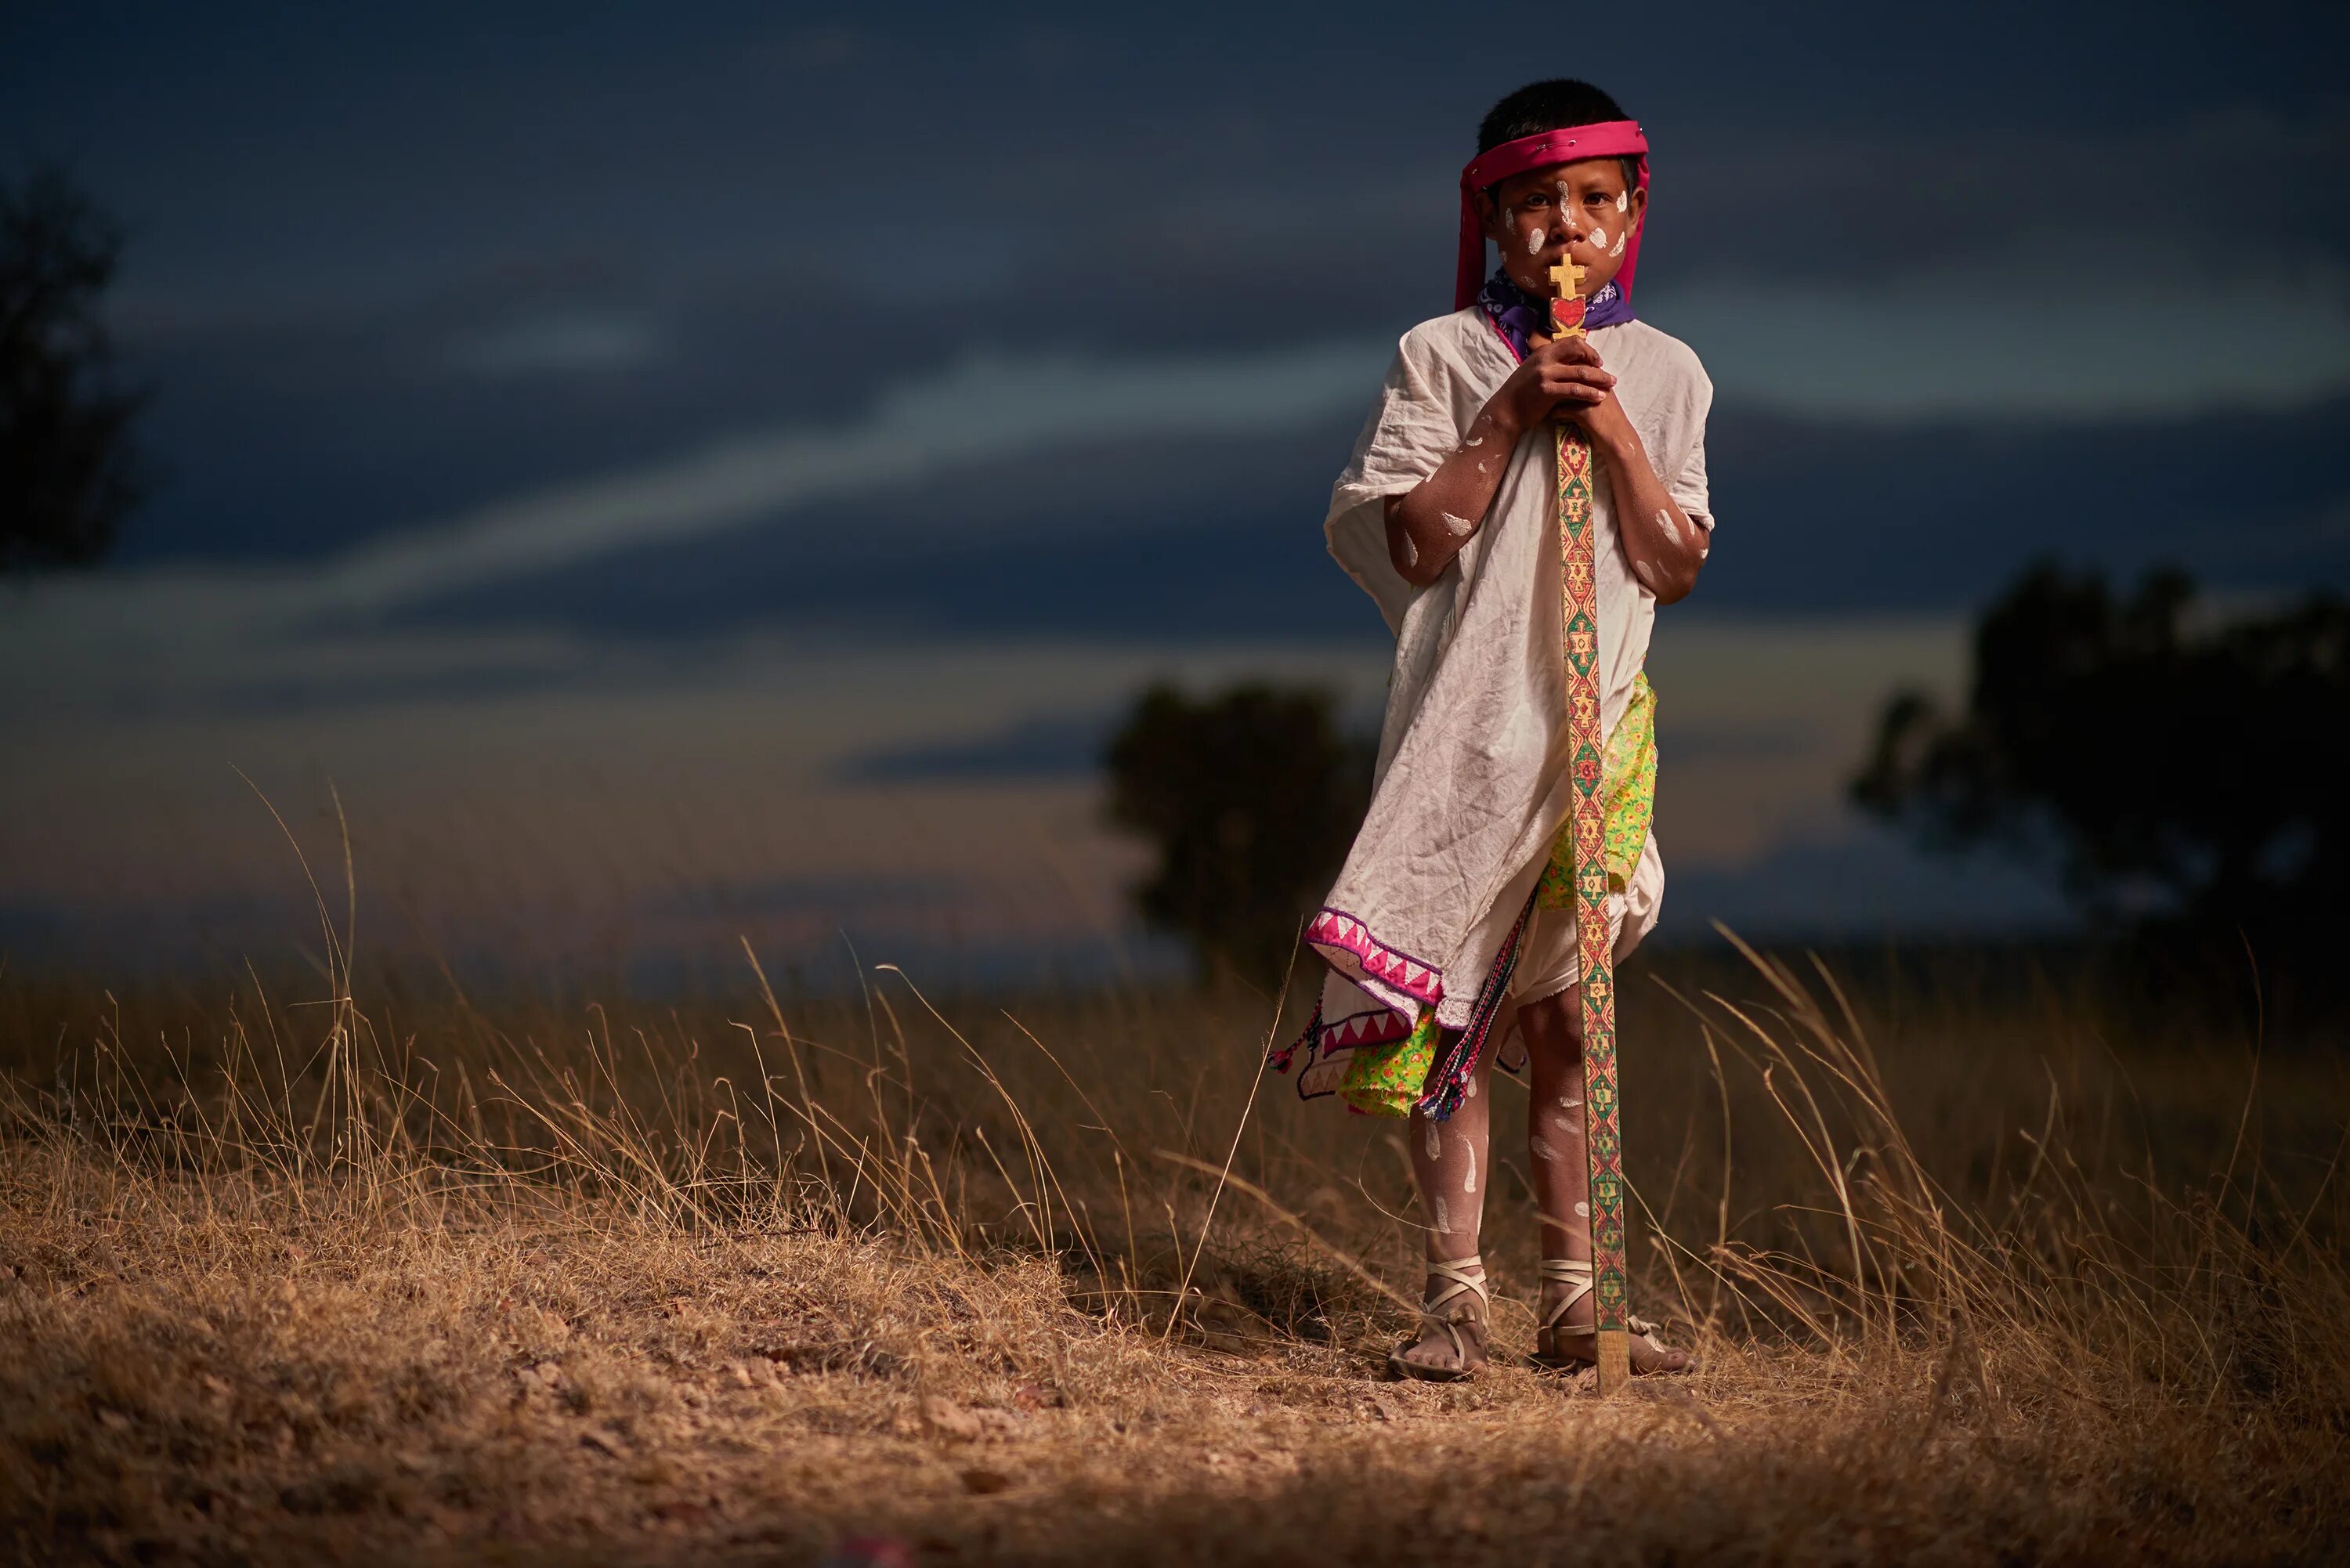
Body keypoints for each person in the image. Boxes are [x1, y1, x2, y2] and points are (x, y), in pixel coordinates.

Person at [1271, 78, 1709, 1381]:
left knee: (1575, 1021)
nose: (1564, 226)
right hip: (1468, 744)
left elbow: (1672, 557)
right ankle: (1453, 1296)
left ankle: (1579, 1304)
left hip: (1592, 735)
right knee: (1448, 1023)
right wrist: (1511, 410)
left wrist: (1613, 426)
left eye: (1591, 201)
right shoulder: (1441, 355)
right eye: (1534, 202)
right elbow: (1409, 535)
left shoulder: (1670, 373)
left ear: (1630, 218)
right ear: (1492, 217)